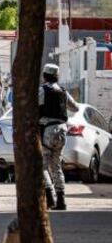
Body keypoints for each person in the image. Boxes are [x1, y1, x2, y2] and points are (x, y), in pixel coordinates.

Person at [39, 63, 78, 211]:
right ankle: (61, 199)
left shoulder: (43, 91)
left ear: (44, 76)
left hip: (47, 130)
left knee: (42, 167)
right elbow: (75, 107)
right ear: (57, 76)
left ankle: (49, 197)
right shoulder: (63, 91)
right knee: (56, 165)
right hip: (62, 130)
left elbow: (32, 105)